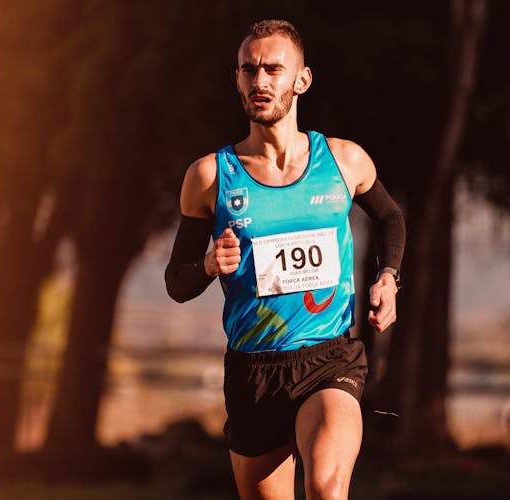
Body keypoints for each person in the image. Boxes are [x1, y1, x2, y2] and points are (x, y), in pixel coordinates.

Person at [165, 19, 405, 500]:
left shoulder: (343, 161)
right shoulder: (211, 177)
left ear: (301, 79)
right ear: (236, 79)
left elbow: (390, 218)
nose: (260, 82)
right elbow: (177, 281)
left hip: (327, 357)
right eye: (249, 70)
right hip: (253, 372)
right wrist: (212, 265)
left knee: (325, 490)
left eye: (273, 69)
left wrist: (388, 278)